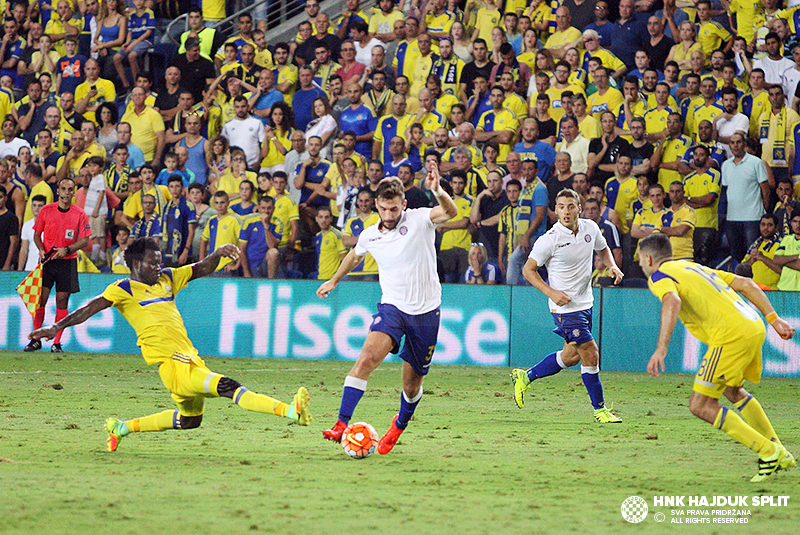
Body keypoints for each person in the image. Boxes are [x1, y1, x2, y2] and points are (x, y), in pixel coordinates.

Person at [30, 237, 312, 451]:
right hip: (174, 366)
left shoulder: (167, 278)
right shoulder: (123, 289)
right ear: (137, 264)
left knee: (190, 421)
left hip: (189, 360)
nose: (159, 265)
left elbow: (201, 267)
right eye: (153, 261)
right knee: (229, 386)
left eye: (160, 260)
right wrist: (56, 327)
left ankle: (121, 428)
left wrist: (218, 254)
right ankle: (291, 411)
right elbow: (88, 309)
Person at [316, 168, 458, 454]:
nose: (389, 214)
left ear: (403, 204)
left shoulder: (419, 219)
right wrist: (334, 279)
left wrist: (439, 191)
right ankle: (342, 424)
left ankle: (400, 423)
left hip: (426, 312)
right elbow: (354, 257)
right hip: (392, 307)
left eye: (394, 208)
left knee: (410, 384)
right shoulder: (370, 235)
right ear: (376, 206)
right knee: (367, 357)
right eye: (384, 209)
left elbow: (450, 213)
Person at [638, 232, 796, 482]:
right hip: (753, 326)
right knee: (733, 391)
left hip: (730, 335)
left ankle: (768, 452)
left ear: (648, 259)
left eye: (639, 260)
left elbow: (672, 300)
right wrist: (774, 319)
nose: (640, 264)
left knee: (700, 405)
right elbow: (746, 284)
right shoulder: (692, 267)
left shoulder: (659, 276)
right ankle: (780, 450)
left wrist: (661, 348)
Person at [511, 188, 624, 423]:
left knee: (571, 356)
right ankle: (600, 410)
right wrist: (551, 292)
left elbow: (602, 248)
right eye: (561, 207)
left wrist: (611, 265)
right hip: (564, 309)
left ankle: (526, 376)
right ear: (556, 210)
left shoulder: (590, 228)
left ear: (579, 209)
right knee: (591, 354)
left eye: (571, 206)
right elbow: (527, 270)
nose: (566, 211)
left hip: (585, 303)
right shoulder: (549, 240)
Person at [25, 178, 90, 353]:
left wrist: (68, 249)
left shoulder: (80, 214)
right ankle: (36, 339)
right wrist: (40, 249)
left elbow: (84, 240)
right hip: (48, 261)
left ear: (74, 192)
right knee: (41, 300)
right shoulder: (46, 210)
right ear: (58, 191)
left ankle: (57, 342)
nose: (67, 193)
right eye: (64, 189)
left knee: (62, 301)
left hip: (67, 263)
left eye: (70, 189)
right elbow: (37, 235)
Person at [774, 214, 800, 291]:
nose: (798, 225)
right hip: (783, 286)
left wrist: (783, 261)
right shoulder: (786, 239)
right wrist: (794, 257)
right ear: (791, 223)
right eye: (795, 221)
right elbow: (776, 260)